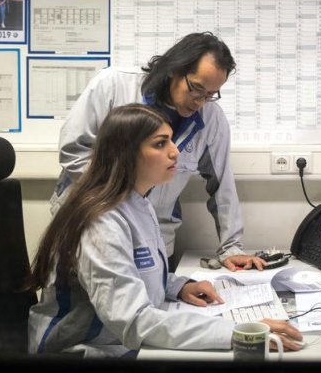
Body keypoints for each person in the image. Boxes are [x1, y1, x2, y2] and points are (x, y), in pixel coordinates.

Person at [27, 104, 302, 357]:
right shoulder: (101, 223)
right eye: (160, 143)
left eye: (171, 139)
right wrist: (237, 332)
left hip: (118, 344)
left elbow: (131, 271)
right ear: (125, 154)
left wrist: (178, 286)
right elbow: (133, 320)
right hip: (85, 351)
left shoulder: (138, 202)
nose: (175, 151)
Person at [51, 32, 262, 271]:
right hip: (92, 228)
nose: (200, 102)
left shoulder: (211, 120)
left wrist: (231, 247)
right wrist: (124, 198)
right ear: (174, 69)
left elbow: (222, 186)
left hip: (154, 240)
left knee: (158, 300)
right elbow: (73, 151)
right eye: (196, 89)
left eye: (210, 95)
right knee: (79, 306)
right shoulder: (113, 85)